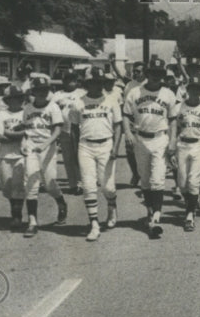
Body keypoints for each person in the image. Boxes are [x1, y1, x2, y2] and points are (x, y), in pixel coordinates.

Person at [123, 57, 178, 238]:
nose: (156, 77)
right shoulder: (135, 92)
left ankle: (156, 217)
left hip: (160, 138)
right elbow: (126, 115)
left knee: (158, 179)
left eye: (160, 74)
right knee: (145, 180)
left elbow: (173, 119)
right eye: (153, 73)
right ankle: (149, 210)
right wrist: (128, 134)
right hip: (141, 139)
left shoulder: (168, 93)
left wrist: (172, 141)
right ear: (147, 74)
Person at [70, 67, 123, 241]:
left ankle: (112, 206)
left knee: (107, 187)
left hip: (106, 144)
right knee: (88, 186)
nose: (97, 86)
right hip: (86, 146)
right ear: (86, 84)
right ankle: (94, 223)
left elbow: (118, 125)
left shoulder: (111, 100)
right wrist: (75, 151)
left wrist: (115, 148)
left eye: (100, 82)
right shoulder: (78, 102)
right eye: (93, 83)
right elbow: (74, 129)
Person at [20, 75, 69, 236]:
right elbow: (25, 129)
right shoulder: (27, 107)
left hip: (47, 145)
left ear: (49, 91)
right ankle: (32, 221)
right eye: (38, 90)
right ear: (33, 91)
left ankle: (61, 202)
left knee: (49, 183)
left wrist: (46, 144)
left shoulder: (53, 107)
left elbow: (57, 130)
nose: (41, 93)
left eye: (44, 90)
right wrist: (23, 142)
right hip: (31, 146)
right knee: (31, 182)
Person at [174, 79, 200, 231]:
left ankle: (190, 214)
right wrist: (171, 148)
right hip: (182, 144)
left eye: (198, 89)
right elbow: (174, 128)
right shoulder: (179, 107)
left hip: (199, 144)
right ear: (187, 90)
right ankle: (190, 203)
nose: (195, 92)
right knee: (182, 183)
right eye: (192, 89)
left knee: (193, 181)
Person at [0, 85, 28, 231]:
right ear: (7, 101)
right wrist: (20, 135)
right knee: (7, 187)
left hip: (22, 154)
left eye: (18, 98)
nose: (15, 101)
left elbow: (29, 133)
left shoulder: (26, 113)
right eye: (12, 99)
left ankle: (16, 216)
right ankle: (15, 211)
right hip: (5, 155)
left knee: (18, 185)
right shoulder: (1, 115)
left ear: (22, 99)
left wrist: (9, 133)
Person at [52, 70, 85, 194]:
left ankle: (81, 183)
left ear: (77, 81)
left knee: (80, 156)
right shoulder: (57, 95)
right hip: (64, 129)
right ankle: (72, 184)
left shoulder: (82, 93)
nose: (70, 82)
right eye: (67, 79)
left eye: (73, 79)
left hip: (80, 128)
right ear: (63, 81)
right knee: (68, 158)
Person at [121, 62, 146, 187]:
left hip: (145, 119)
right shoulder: (129, 85)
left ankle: (145, 175)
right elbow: (126, 105)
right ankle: (135, 174)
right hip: (131, 119)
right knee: (130, 150)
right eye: (135, 71)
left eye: (139, 71)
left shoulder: (148, 84)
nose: (136, 73)